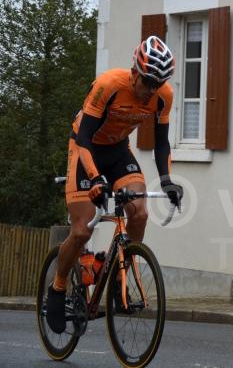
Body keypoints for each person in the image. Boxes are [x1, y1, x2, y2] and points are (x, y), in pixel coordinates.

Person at [46, 36, 183, 333]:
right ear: (135, 72)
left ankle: (122, 273)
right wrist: (95, 179)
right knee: (82, 231)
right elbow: (84, 137)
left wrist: (167, 181)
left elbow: (161, 143)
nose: (151, 90)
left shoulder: (163, 96)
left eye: (158, 83)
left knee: (140, 212)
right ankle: (57, 287)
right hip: (86, 149)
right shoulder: (109, 85)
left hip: (119, 150)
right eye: (148, 81)